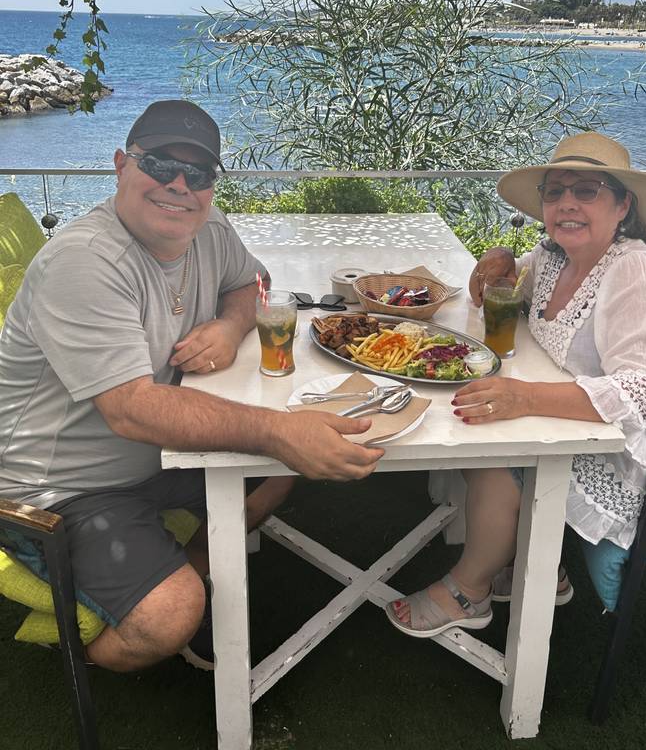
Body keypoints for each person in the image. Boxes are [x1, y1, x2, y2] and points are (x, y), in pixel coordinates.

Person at [0, 99, 383, 670]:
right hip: (57, 490)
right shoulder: (84, 262)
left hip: (156, 458)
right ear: (120, 165)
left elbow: (252, 281)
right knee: (170, 615)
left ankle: (191, 564)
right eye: (158, 165)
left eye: (198, 174)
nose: (179, 185)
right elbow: (132, 410)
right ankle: (89, 646)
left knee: (278, 476)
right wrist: (280, 431)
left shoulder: (208, 228)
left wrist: (230, 327)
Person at [387, 131, 646, 637]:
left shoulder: (638, 271)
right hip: (591, 421)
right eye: (555, 191)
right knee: (480, 426)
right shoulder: (556, 256)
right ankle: (532, 563)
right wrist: (500, 252)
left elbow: (644, 394)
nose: (566, 203)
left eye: (586, 190)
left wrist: (525, 397)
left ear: (622, 204)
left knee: (498, 455)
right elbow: (510, 283)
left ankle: (468, 591)